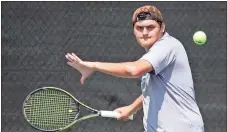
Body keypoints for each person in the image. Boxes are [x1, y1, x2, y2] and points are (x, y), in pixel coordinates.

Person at [65, 5, 204, 132]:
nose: (144, 32)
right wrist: (132, 108)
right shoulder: (153, 55)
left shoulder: (167, 46)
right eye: (139, 28)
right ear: (134, 30)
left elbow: (134, 70)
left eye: (150, 27)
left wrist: (93, 66)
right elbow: (153, 89)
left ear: (162, 28)